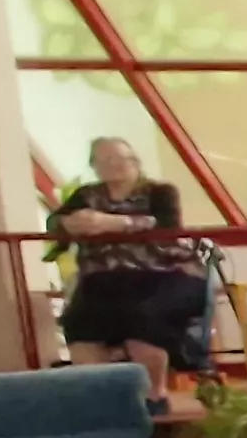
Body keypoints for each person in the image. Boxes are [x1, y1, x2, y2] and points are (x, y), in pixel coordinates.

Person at [50, 135, 204, 411]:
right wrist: (69, 222)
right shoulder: (87, 196)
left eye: (121, 158)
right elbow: (55, 221)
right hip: (106, 277)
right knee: (80, 321)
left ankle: (154, 395)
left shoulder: (160, 192)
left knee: (143, 319)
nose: (114, 165)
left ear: (135, 161)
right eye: (105, 160)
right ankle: (100, 399)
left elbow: (167, 225)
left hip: (163, 273)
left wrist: (113, 223)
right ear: (94, 166)